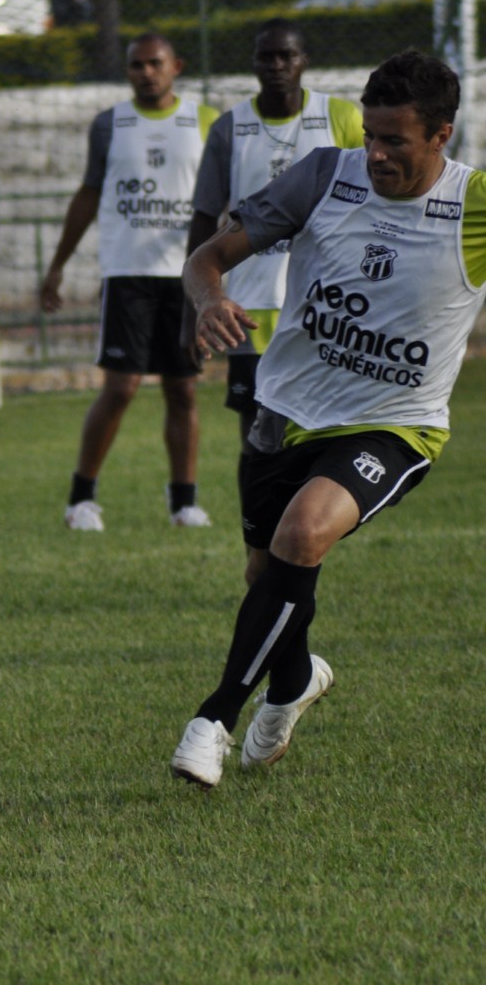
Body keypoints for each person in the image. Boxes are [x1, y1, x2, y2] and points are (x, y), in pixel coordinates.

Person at [170, 50, 485, 788]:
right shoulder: (324, 175)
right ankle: (292, 684)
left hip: (395, 423)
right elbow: (208, 257)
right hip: (284, 410)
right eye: (370, 135)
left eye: (395, 140)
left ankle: (211, 718)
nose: (374, 153)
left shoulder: (473, 208)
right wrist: (209, 300)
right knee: (269, 576)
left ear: (442, 134)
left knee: (302, 532)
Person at [40, 33, 219, 531]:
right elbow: (89, 194)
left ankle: (184, 502)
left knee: (183, 390)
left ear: (176, 65)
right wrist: (57, 265)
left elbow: (220, 200)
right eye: (136, 65)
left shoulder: (205, 122)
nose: (146, 72)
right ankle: (81, 499)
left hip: (185, 276)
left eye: (155, 63)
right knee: (121, 388)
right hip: (126, 275)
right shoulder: (109, 125)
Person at [185, 19, 363, 461]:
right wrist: (198, 303)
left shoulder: (341, 118)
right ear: (254, 63)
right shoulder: (229, 128)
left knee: (322, 424)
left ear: (305, 61)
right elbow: (205, 217)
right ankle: (259, 529)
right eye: (267, 56)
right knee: (257, 429)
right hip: (250, 305)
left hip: (324, 301)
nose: (278, 65)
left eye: (287, 55)